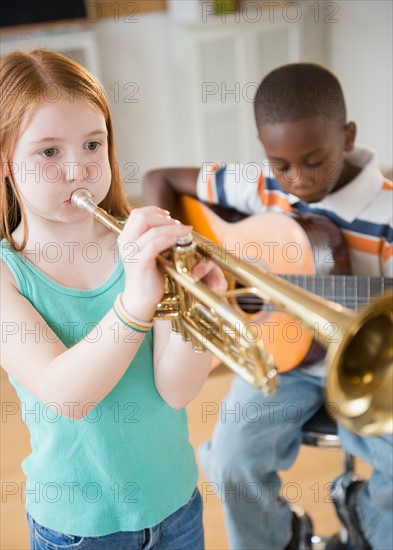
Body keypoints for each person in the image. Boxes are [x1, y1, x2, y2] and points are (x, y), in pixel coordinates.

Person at [143, 63, 393, 550]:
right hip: (284, 364)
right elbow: (159, 178)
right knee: (230, 459)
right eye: (281, 164)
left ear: (347, 135)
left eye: (314, 160)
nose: (296, 180)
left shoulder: (387, 214)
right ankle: (276, 539)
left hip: (376, 377)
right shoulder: (262, 185)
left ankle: (368, 517)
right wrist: (164, 260)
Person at [0, 49, 227, 550]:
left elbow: (176, 390)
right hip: (78, 528)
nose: (78, 168)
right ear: (5, 164)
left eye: (92, 144)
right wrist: (135, 303)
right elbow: (67, 397)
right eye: (49, 152)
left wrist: (202, 312)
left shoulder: (138, 246)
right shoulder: (7, 275)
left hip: (176, 506)